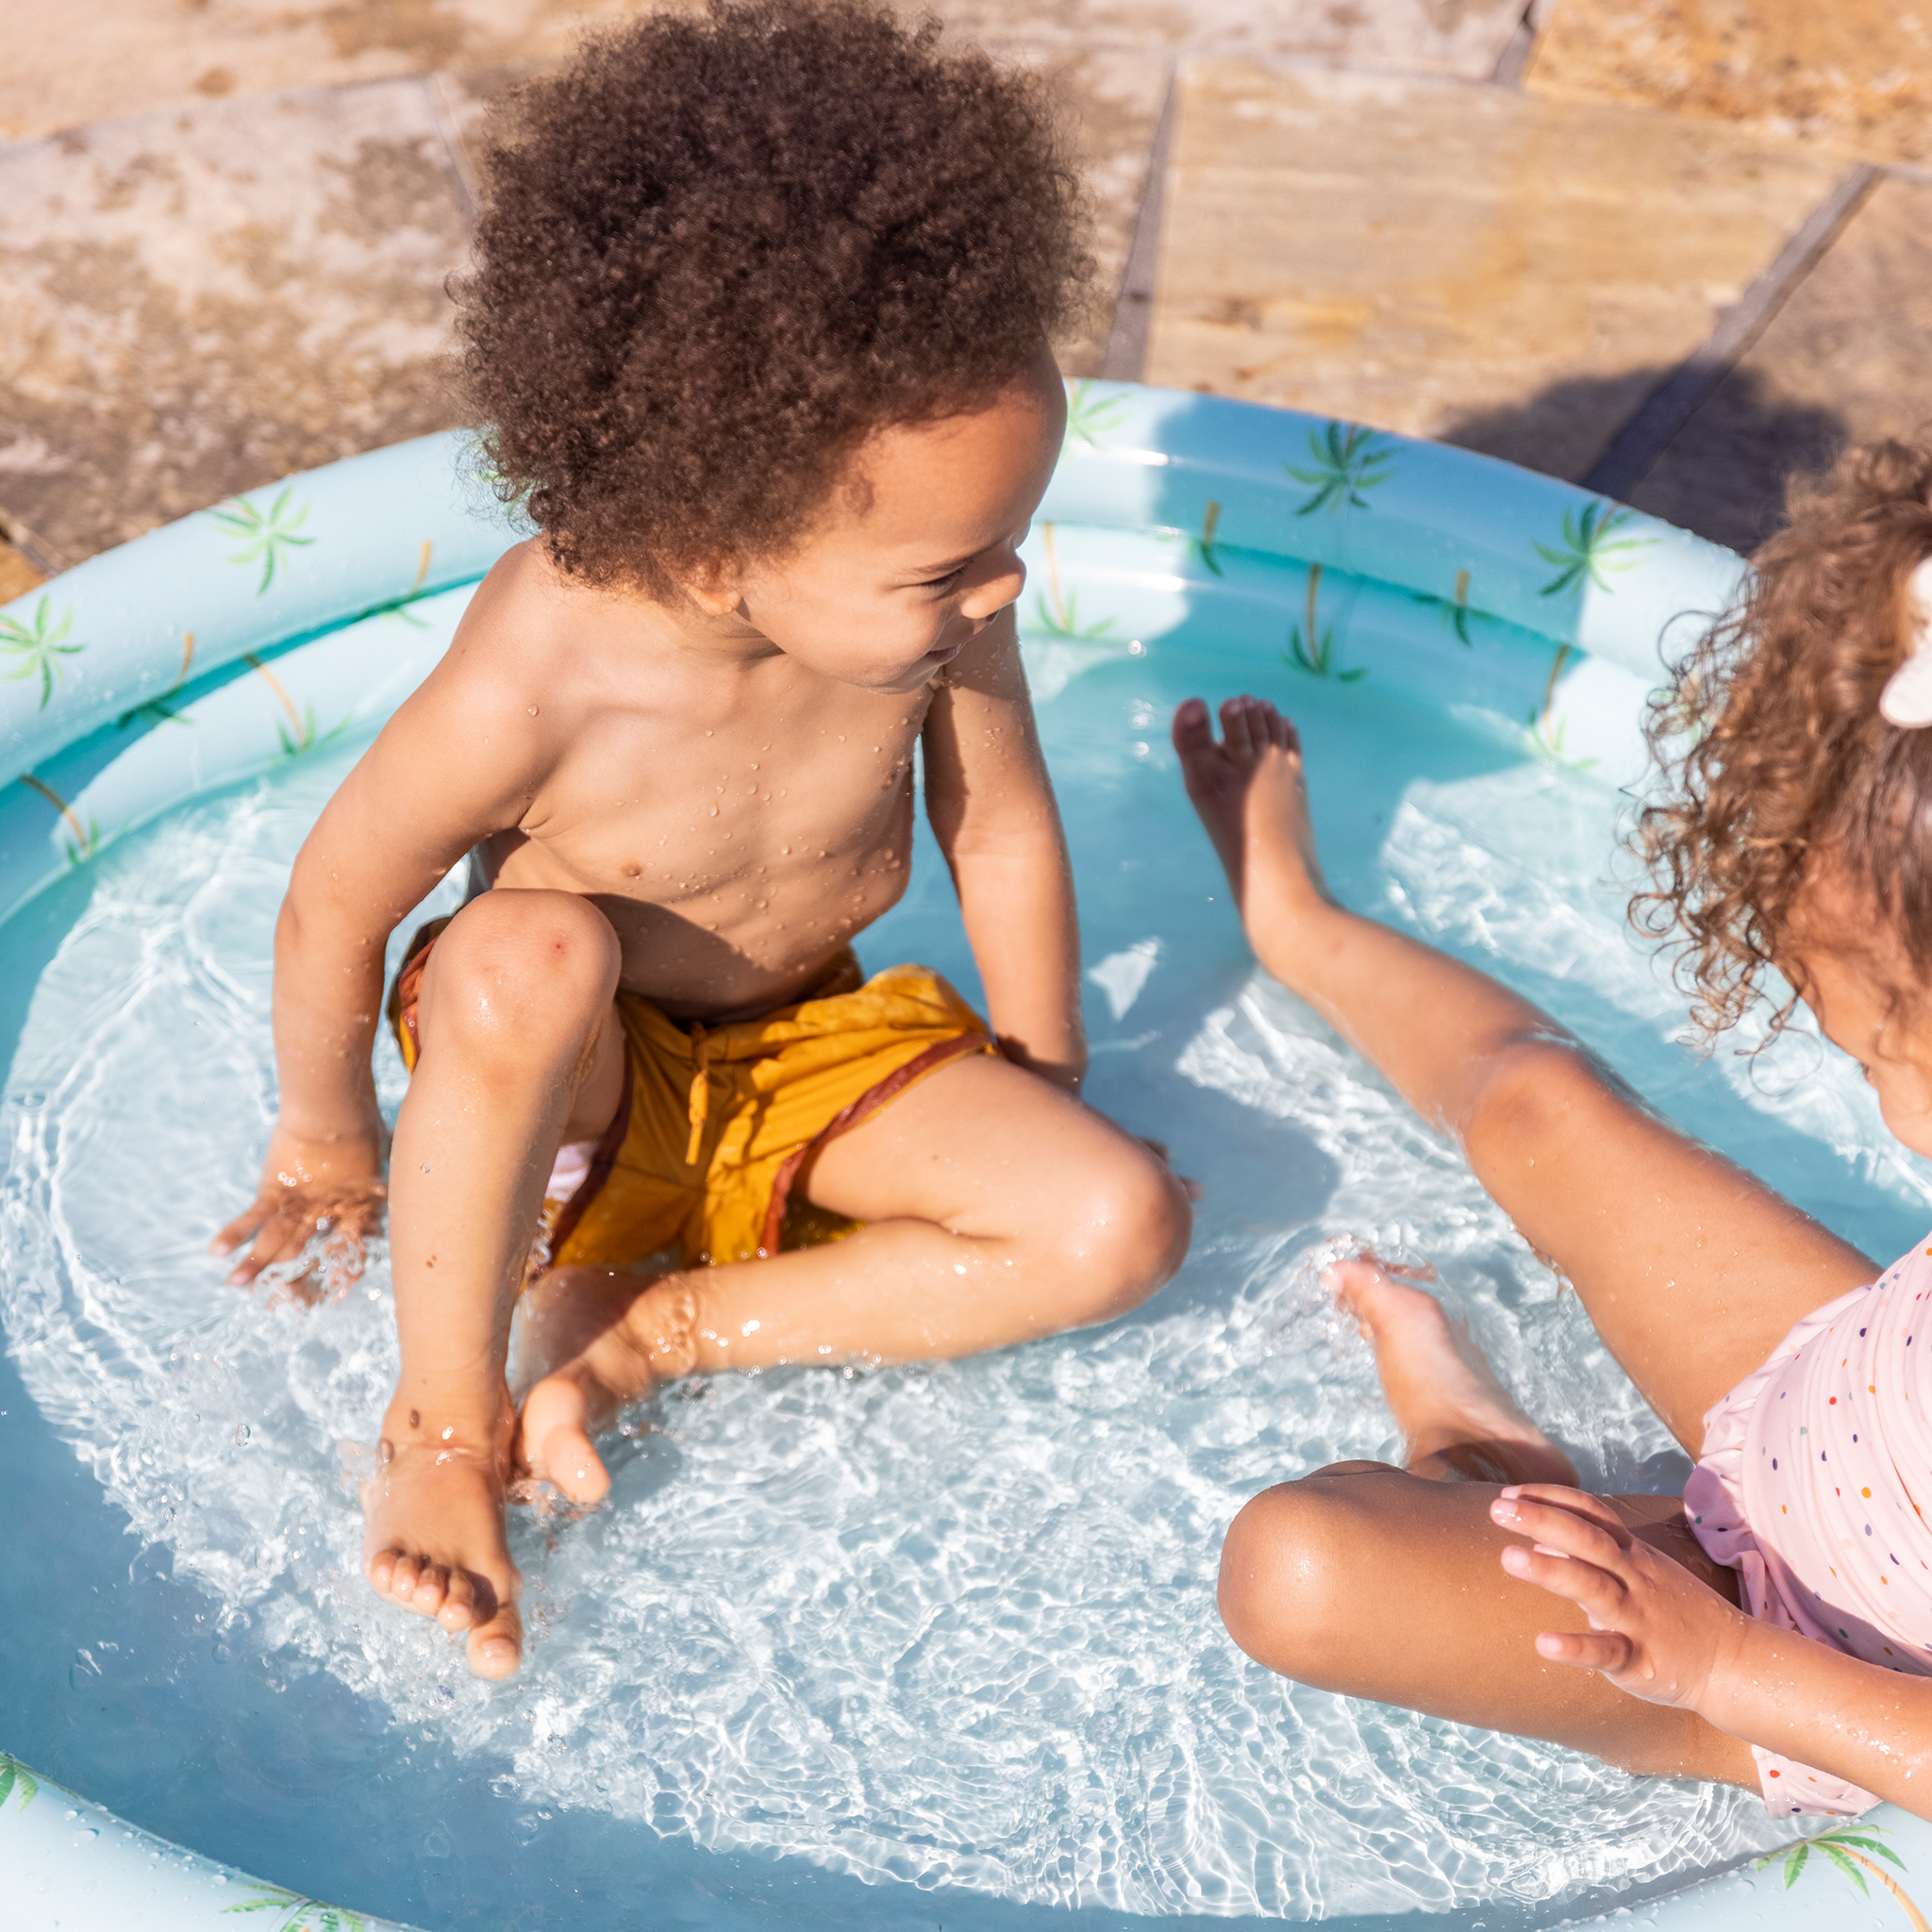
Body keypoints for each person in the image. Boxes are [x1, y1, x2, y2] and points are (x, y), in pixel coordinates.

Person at [208, 0, 1191, 1679]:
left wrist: (1044, 1062)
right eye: (953, 567)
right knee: (526, 951)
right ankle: (444, 1432)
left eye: (1009, 543)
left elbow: (1000, 827)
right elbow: (336, 902)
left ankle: (657, 1333)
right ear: (722, 546)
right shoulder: (543, 673)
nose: (1006, 588)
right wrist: (325, 1141)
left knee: (1120, 1224)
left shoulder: (946, 620)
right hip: (573, 1094)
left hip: (804, 1042)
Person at [1180, 439, 1932, 1821]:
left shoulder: (1746, 1655)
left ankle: (1472, 1455)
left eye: (1886, 1045)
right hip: (1838, 1402)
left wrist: (1720, 1663)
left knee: (1299, 1567)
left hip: (1810, 1655)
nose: (1883, 1095)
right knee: (1538, 1102)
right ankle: (1303, 929)